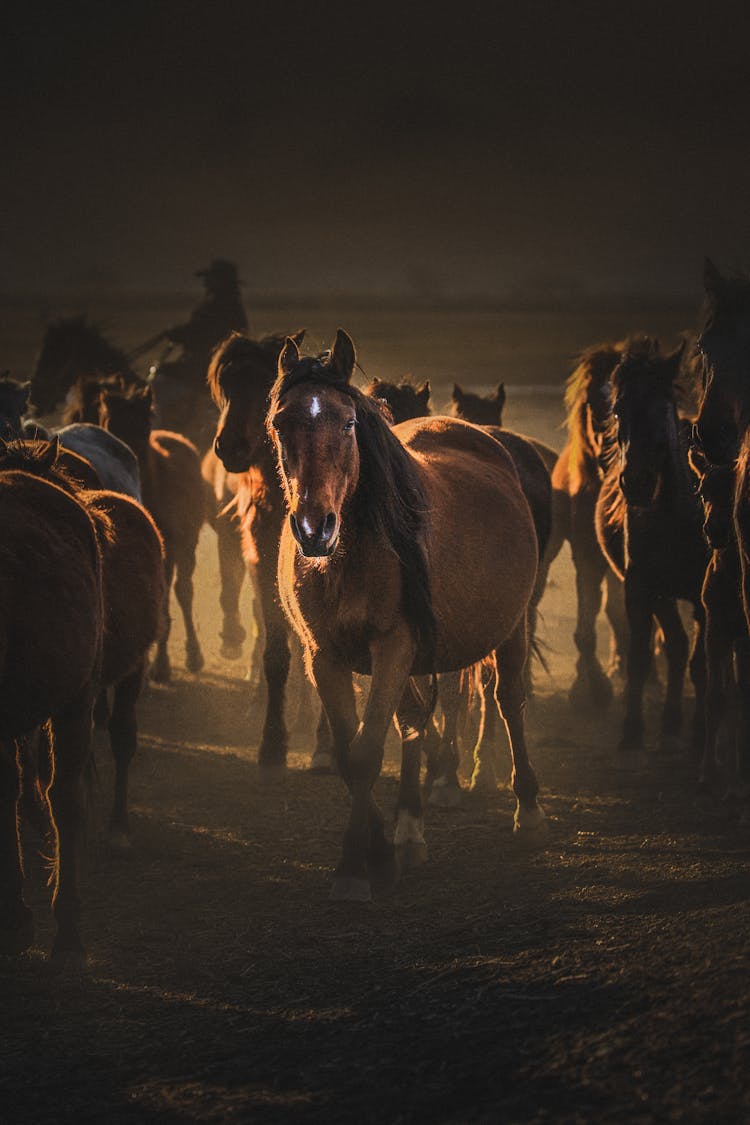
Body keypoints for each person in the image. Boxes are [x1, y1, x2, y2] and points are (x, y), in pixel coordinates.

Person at [164, 259, 248, 369]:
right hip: (215, 363)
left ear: (220, 281)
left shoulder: (219, 307)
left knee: (162, 376)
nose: (206, 283)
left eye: (211, 279)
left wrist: (179, 334)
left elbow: (202, 333)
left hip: (205, 365)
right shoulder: (230, 306)